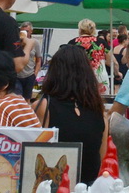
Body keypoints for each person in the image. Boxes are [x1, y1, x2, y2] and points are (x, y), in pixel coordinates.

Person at [33, 42, 108, 184]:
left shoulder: (44, 106)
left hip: (55, 188)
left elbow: (34, 153)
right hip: (89, 189)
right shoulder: (98, 110)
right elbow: (102, 159)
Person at [12, 26, 39, 100]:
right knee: (17, 97)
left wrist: (35, 73)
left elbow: (39, 59)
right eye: (22, 31)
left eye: (27, 31)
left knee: (27, 98)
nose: (24, 33)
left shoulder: (34, 42)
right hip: (17, 75)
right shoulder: (15, 43)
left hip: (29, 75)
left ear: (31, 31)